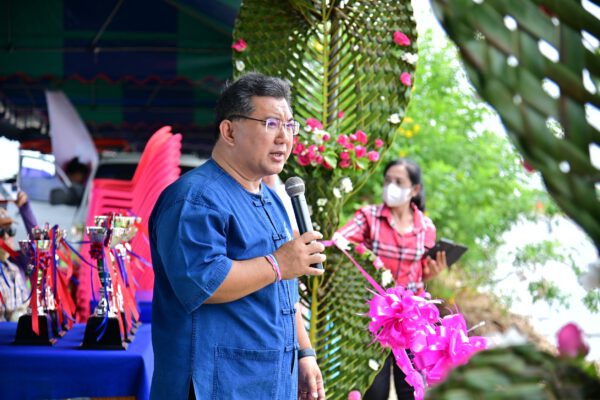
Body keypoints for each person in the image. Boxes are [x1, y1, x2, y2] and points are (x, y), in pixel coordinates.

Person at [149, 72, 327, 400]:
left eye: (290, 126)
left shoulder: (271, 198)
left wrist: (304, 353)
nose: (284, 137)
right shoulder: (195, 199)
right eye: (271, 124)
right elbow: (203, 282)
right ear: (229, 131)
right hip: (216, 385)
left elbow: (284, 290)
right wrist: (278, 264)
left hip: (269, 380)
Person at [337, 158, 447, 400]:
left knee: (412, 389)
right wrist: (366, 259)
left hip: (412, 321)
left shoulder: (426, 227)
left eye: (399, 181)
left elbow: (420, 271)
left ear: (414, 189)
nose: (391, 186)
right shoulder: (369, 217)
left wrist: (431, 273)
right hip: (374, 321)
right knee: (374, 390)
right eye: (388, 181)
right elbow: (339, 243)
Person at [0, 208, 30, 322]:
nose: (6, 237)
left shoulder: (15, 269)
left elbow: (37, 242)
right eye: (0, 232)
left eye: (10, 231)